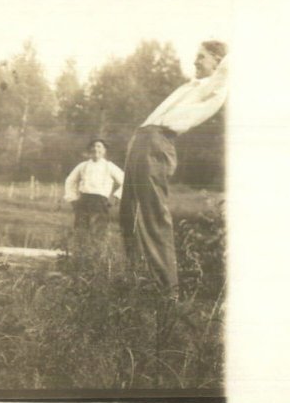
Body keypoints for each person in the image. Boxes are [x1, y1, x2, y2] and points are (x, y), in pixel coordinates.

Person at [119, 41, 229, 302]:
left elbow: (229, 66)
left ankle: (168, 292)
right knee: (128, 214)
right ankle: (136, 280)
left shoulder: (216, 86)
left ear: (217, 60)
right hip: (142, 139)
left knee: (153, 216)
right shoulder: (192, 85)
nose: (195, 62)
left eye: (200, 57)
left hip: (157, 143)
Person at [64, 139, 125, 237]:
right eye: (93, 146)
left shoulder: (109, 166)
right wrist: (72, 198)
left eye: (99, 146)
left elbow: (125, 181)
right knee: (80, 230)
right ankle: (80, 251)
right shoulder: (83, 165)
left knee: (98, 230)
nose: (96, 149)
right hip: (84, 200)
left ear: (104, 150)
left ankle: (96, 251)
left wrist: (116, 197)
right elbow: (70, 181)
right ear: (89, 150)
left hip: (100, 202)